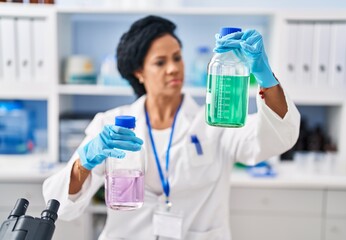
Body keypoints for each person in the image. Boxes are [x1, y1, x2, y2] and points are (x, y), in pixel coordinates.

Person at [43, 15, 300, 240]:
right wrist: (84, 161)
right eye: (160, 62)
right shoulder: (111, 125)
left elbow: (277, 138)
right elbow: (62, 206)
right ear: (138, 72)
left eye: (177, 57)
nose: (174, 68)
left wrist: (266, 79)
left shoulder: (215, 123)